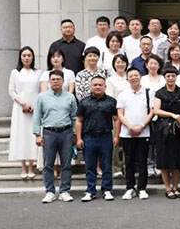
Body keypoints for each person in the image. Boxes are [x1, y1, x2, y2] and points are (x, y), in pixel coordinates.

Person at [33, 70, 77, 203]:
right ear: (49, 81)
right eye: (53, 79)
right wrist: (37, 134)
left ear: (63, 81)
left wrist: (75, 134)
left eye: (58, 79)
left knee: (66, 164)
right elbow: (37, 116)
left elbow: (74, 117)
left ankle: (64, 191)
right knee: (48, 164)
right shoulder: (41, 97)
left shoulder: (70, 97)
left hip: (66, 132)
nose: (55, 81)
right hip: (49, 133)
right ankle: (50, 191)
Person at [76, 76, 118, 202]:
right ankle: (90, 190)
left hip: (106, 136)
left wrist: (116, 136)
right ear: (91, 86)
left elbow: (116, 119)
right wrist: (79, 138)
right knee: (90, 165)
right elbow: (79, 120)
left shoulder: (111, 101)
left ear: (105, 87)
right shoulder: (84, 102)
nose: (98, 87)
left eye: (100, 85)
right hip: (89, 137)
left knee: (107, 165)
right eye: (95, 85)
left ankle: (107, 189)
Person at [117, 68, 154, 200]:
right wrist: (130, 127)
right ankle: (130, 188)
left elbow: (151, 111)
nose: (133, 78)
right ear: (127, 79)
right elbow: (120, 114)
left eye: (136, 75)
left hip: (144, 132)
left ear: (140, 77)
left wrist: (141, 126)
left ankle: (142, 188)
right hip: (127, 133)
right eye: (131, 76)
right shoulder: (123, 94)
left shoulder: (148, 92)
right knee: (129, 161)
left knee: (143, 161)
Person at [153, 67, 180, 199]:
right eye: (168, 76)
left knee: (177, 160)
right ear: (164, 77)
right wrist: (172, 115)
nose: (170, 78)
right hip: (163, 129)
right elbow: (156, 110)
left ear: (176, 77)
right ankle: (168, 188)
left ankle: (176, 187)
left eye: (173, 76)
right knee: (164, 160)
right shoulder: (160, 93)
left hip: (179, 129)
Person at [8, 47, 42, 179]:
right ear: (20, 57)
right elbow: (11, 90)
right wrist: (22, 103)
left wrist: (34, 104)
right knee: (21, 135)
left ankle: (31, 166)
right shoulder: (15, 72)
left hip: (34, 108)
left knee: (32, 135)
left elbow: (40, 91)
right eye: (24, 55)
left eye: (29, 55)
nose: (26, 58)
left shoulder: (38, 72)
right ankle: (23, 167)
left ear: (32, 57)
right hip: (19, 108)